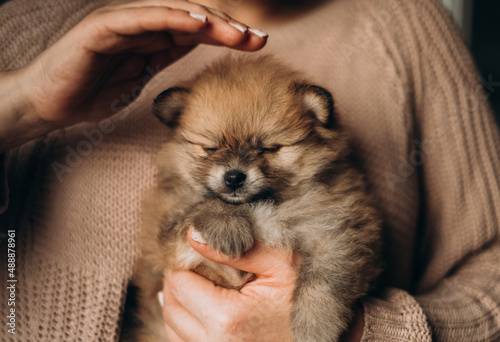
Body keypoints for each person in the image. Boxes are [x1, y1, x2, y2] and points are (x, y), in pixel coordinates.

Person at [0, 0, 499, 341]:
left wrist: (367, 332)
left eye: (267, 150)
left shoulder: (400, 20)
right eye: (210, 150)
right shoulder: (30, 19)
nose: (236, 171)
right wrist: (19, 104)